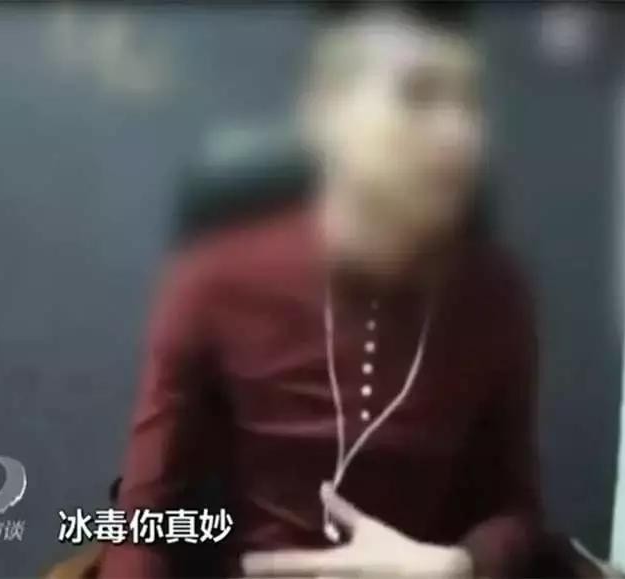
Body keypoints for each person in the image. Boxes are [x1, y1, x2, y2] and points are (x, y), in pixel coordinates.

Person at [99, 6, 542, 578]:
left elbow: (516, 510)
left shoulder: (495, 295)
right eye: (420, 95)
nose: (461, 134)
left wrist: (460, 566)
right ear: (327, 113)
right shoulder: (214, 280)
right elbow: (142, 515)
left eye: (470, 104)